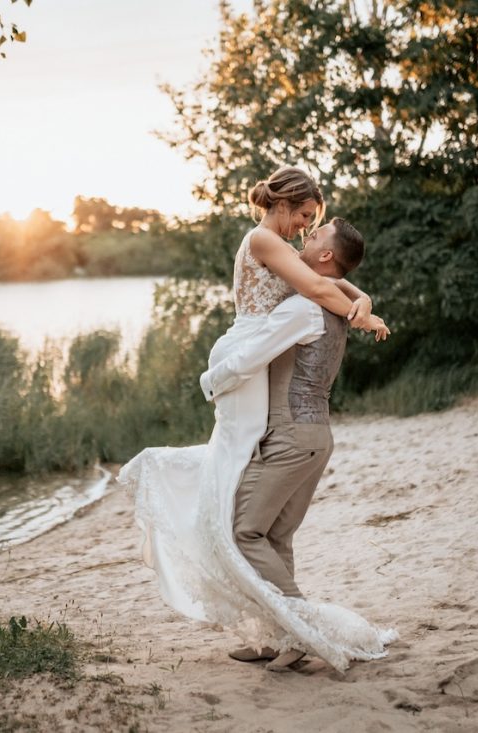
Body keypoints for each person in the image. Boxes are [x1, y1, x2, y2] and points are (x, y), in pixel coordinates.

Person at [119, 167, 396, 673]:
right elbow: (320, 282)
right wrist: (360, 309)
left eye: (313, 224)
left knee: (247, 515)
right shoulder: (262, 238)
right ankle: (278, 630)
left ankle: (287, 630)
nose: (305, 229)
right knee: (239, 484)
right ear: (286, 204)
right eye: (305, 217)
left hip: (258, 366)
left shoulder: (289, 265)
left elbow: (327, 281)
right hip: (251, 351)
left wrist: (363, 302)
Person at [201, 217, 393, 671]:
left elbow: (250, 358)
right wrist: (363, 298)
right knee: (275, 536)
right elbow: (345, 288)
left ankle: (301, 629)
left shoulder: (304, 309)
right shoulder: (329, 302)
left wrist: (210, 381)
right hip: (316, 436)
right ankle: (275, 638)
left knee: (244, 531)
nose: (305, 236)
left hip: (290, 436)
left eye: (315, 233)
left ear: (326, 256)